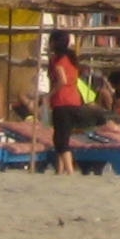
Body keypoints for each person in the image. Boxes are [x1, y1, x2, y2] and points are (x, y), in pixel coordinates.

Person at [45, 34, 106, 173]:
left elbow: (62, 80)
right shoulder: (71, 59)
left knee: (61, 139)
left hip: (62, 101)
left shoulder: (58, 60)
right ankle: (60, 169)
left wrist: (49, 94)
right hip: (74, 100)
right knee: (62, 135)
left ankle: (69, 170)